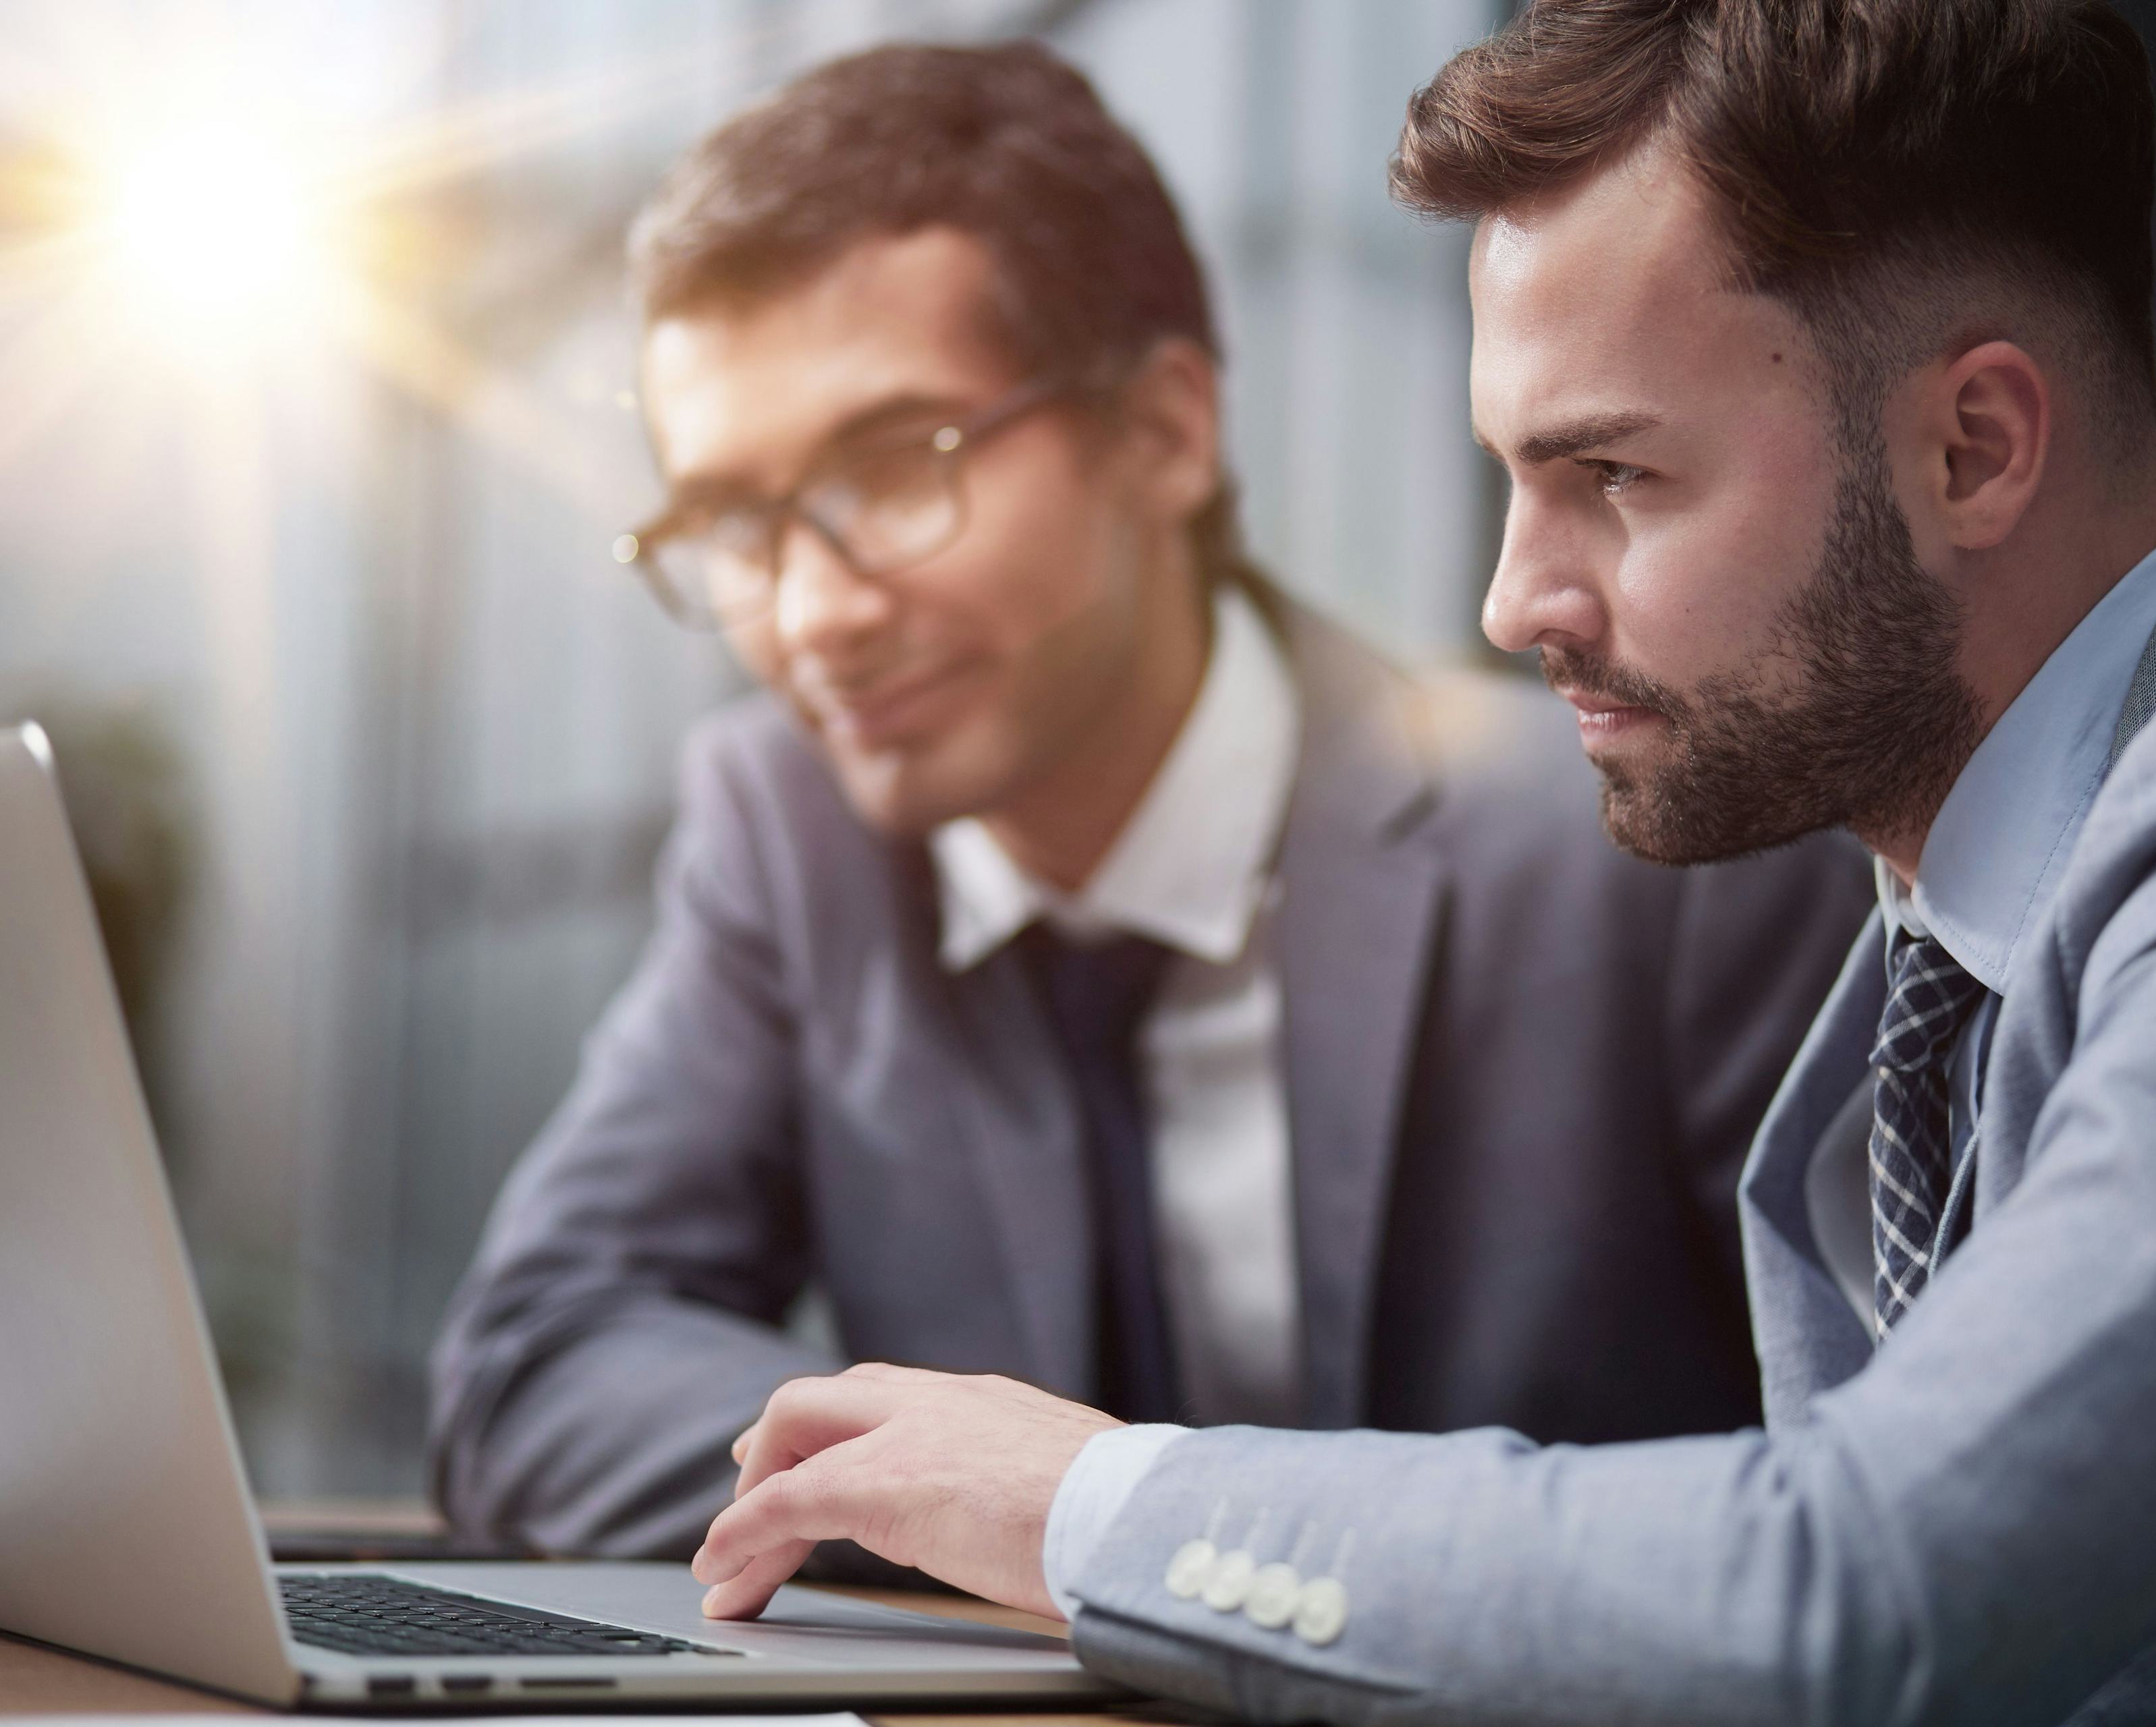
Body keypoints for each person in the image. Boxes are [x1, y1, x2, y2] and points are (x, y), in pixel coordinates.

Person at [682, 3, 2156, 1720]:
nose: (1513, 603)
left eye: (1616, 479)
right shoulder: (1927, 953)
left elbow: (1862, 1591)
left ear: (1977, 447)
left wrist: (1092, 1499)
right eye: (1516, 479)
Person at [426, 41, 1870, 1575]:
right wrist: (946, 1491)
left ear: (1167, 429)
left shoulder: (1647, 842)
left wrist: (1113, 1513)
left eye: (891, 467)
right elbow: (534, 1365)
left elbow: (1859, 1527)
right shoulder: (795, 833)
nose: (810, 611)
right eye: (734, 522)